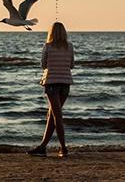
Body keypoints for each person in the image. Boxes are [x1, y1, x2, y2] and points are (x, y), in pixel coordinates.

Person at [28, 22, 75, 158]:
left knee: (57, 116)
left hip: (52, 84)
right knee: (53, 115)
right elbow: (72, 65)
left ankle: (64, 148)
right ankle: (42, 147)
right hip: (65, 84)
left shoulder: (47, 46)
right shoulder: (70, 47)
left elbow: (43, 65)